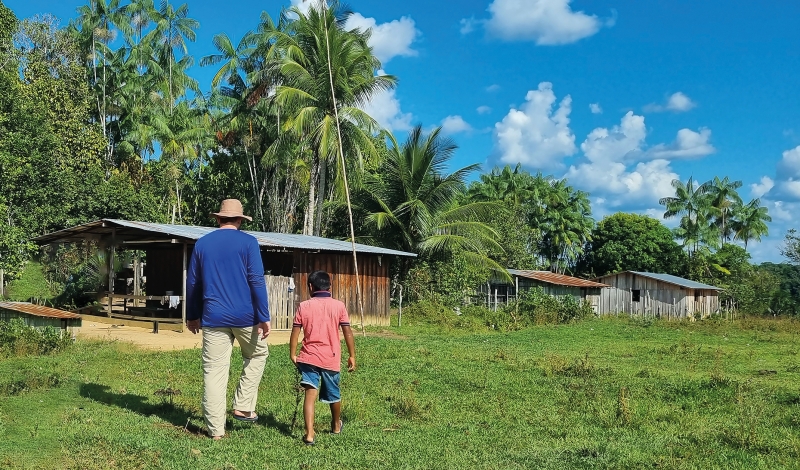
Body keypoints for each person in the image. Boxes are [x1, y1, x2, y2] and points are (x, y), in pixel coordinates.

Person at [185, 199, 271, 440]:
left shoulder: (203, 244)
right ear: (241, 220)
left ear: (219, 218)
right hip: (246, 316)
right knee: (257, 355)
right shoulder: (249, 243)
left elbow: (193, 283)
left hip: (213, 317)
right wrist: (264, 316)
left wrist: (193, 315)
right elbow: (256, 280)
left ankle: (215, 431)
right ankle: (243, 405)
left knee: (214, 371)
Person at [289, 271, 356, 446]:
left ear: (311, 287)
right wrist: (352, 355)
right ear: (330, 286)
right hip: (330, 358)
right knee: (333, 393)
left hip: (308, 357)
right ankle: (335, 425)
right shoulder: (339, 306)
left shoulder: (303, 306)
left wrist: (292, 353)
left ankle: (309, 433)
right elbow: (347, 332)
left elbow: (295, 332)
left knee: (310, 395)